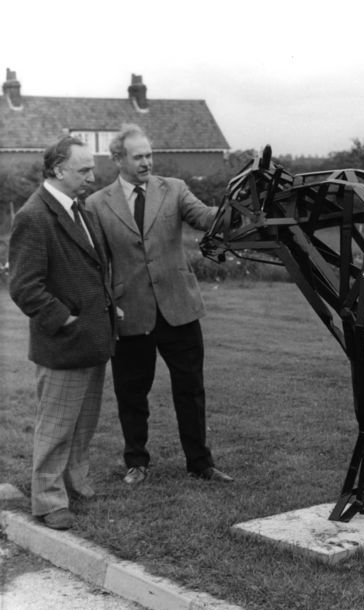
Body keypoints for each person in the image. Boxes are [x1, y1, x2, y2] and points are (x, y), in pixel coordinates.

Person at [85, 124, 233, 484]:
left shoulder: (175, 190)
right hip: (130, 312)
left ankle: (200, 463)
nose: (147, 162)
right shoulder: (96, 204)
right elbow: (96, 264)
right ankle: (137, 462)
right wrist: (108, 307)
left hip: (179, 309)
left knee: (191, 388)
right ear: (118, 159)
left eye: (149, 155)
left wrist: (237, 206)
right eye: (139, 157)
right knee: (131, 392)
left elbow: (205, 217)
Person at [8, 136, 116, 530]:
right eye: (84, 169)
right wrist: (65, 320)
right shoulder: (34, 216)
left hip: (92, 339)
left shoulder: (80, 209)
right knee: (55, 427)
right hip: (63, 343)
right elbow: (24, 286)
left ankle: (76, 482)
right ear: (57, 171)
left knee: (83, 423)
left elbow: (93, 268)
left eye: (91, 168)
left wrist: (105, 306)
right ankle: (49, 501)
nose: (93, 176)